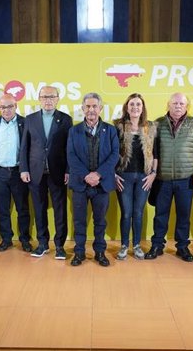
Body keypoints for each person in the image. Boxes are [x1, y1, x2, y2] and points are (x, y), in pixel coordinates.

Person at [145, 92, 193, 262]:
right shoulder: (157, 124)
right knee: (160, 214)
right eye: (175, 103)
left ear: (186, 106)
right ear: (168, 104)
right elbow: (150, 151)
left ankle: (182, 247)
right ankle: (157, 245)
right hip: (162, 179)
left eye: (182, 103)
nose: (178, 106)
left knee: (183, 214)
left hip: (185, 179)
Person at [20, 85, 73, 259]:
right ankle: (42, 243)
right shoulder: (30, 119)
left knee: (60, 209)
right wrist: (24, 168)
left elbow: (69, 148)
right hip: (35, 172)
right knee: (39, 208)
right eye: (44, 97)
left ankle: (59, 246)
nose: (48, 100)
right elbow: (24, 147)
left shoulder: (66, 119)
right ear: (39, 99)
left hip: (58, 172)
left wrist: (68, 170)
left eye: (52, 96)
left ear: (58, 99)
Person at [67, 93, 119, 267]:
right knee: (79, 221)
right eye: (87, 106)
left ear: (100, 109)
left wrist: (98, 175)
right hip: (80, 184)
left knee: (100, 222)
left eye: (94, 106)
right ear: (82, 109)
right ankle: (79, 253)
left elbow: (114, 155)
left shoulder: (110, 130)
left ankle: (100, 252)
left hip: (102, 184)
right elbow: (71, 156)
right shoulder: (74, 131)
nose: (91, 110)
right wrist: (86, 176)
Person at [113, 93, 157, 260]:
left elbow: (156, 153)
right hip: (123, 176)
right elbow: (112, 152)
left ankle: (137, 245)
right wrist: (114, 175)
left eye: (138, 104)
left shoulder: (151, 127)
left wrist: (153, 174)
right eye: (132, 104)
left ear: (142, 108)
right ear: (126, 107)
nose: (135, 107)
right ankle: (124, 245)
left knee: (138, 212)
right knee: (126, 213)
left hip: (144, 178)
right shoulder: (118, 126)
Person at [0, 94, 32, 253]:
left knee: (23, 209)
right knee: (2, 209)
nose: (6, 110)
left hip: (18, 173)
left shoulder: (25, 123)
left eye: (9, 106)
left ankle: (25, 239)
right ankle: (6, 239)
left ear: (16, 106)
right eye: (2, 107)